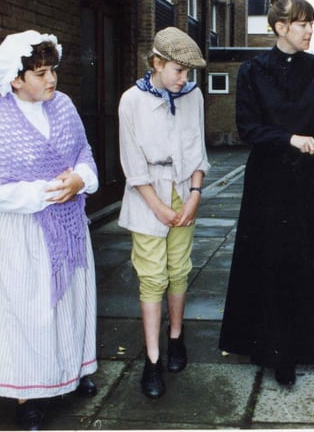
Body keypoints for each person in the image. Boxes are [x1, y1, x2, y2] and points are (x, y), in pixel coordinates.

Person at [0, 31, 99, 431]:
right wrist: (50, 191)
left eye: (53, 69)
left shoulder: (65, 106)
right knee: (27, 311)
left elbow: (83, 152)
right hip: (20, 233)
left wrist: (81, 180)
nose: (51, 79)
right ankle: (26, 395)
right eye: (40, 73)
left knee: (69, 304)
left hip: (66, 228)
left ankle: (73, 371)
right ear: (16, 79)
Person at [218, 0, 314, 386]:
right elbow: (249, 128)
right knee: (272, 261)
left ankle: (310, 343)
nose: (309, 31)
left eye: (311, 24)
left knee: (308, 257)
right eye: (302, 24)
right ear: (280, 27)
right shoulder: (253, 70)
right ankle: (277, 351)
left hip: (310, 181)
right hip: (269, 183)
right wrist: (289, 137)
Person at [117, 27, 210, 399]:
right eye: (177, 71)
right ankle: (152, 360)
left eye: (189, 73)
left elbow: (199, 151)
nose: (184, 79)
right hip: (147, 196)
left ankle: (176, 338)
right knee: (152, 275)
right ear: (156, 63)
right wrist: (156, 205)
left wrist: (194, 196)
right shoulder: (131, 101)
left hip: (184, 191)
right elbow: (131, 161)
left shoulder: (193, 96)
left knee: (179, 268)